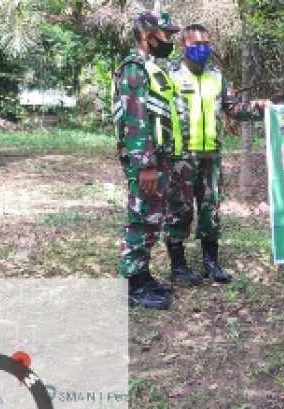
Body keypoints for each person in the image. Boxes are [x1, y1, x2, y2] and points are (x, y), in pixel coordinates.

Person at [166, 24, 270, 285]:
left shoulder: (216, 76)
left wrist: (259, 108)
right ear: (183, 46)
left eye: (206, 44)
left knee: (211, 210)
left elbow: (232, 108)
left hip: (211, 155)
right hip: (180, 156)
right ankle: (178, 266)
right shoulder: (170, 75)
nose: (202, 49)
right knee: (180, 210)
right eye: (196, 44)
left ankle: (211, 263)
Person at [113, 11, 181, 309]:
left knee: (151, 220)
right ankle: (131, 286)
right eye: (166, 35)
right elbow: (136, 120)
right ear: (147, 35)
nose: (169, 41)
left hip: (158, 157)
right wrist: (146, 165)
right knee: (140, 221)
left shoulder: (150, 68)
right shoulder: (133, 68)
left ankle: (142, 276)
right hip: (146, 162)